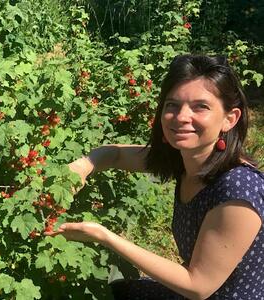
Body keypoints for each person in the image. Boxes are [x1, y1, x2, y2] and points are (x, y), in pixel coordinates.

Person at [49, 55, 264, 299]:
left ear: (230, 118)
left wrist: (104, 236)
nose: (181, 116)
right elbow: (116, 155)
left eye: (200, 107)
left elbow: (198, 286)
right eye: (172, 104)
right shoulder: (185, 159)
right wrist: (84, 165)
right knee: (117, 292)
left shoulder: (238, 190)